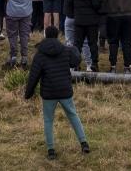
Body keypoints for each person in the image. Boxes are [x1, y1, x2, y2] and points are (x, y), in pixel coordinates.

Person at [24, 26, 90, 160]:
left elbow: (33, 76)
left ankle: (51, 150)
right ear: (57, 35)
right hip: (65, 90)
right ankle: (84, 143)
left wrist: (28, 94)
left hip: (49, 93)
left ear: (45, 35)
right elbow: (76, 61)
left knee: (48, 120)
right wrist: (73, 49)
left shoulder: (40, 54)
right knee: (73, 116)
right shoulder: (65, 50)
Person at [64, 0, 101, 72]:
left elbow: (69, 2)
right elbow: (96, 5)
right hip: (92, 21)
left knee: (77, 44)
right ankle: (94, 64)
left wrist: (73, 14)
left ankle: (75, 65)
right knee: (92, 43)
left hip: (78, 20)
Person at [3, 0, 36, 69]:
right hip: (26, 12)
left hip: (12, 11)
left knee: (12, 35)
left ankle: (13, 56)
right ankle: (24, 57)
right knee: (24, 34)